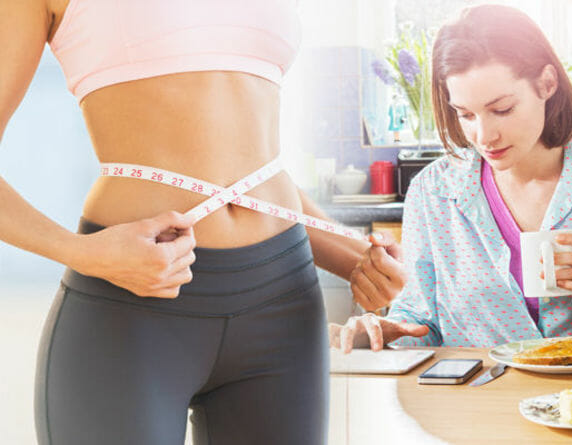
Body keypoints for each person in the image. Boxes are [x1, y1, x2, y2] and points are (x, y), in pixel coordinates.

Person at [1, 1, 405, 444]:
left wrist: (355, 259)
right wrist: (82, 253)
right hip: (133, 307)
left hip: (284, 304)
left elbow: (248, 166)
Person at [330, 4, 572, 353]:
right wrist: (383, 331)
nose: (484, 136)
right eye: (465, 114)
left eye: (502, 109)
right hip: (476, 404)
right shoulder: (433, 192)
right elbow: (422, 322)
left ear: (546, 83)